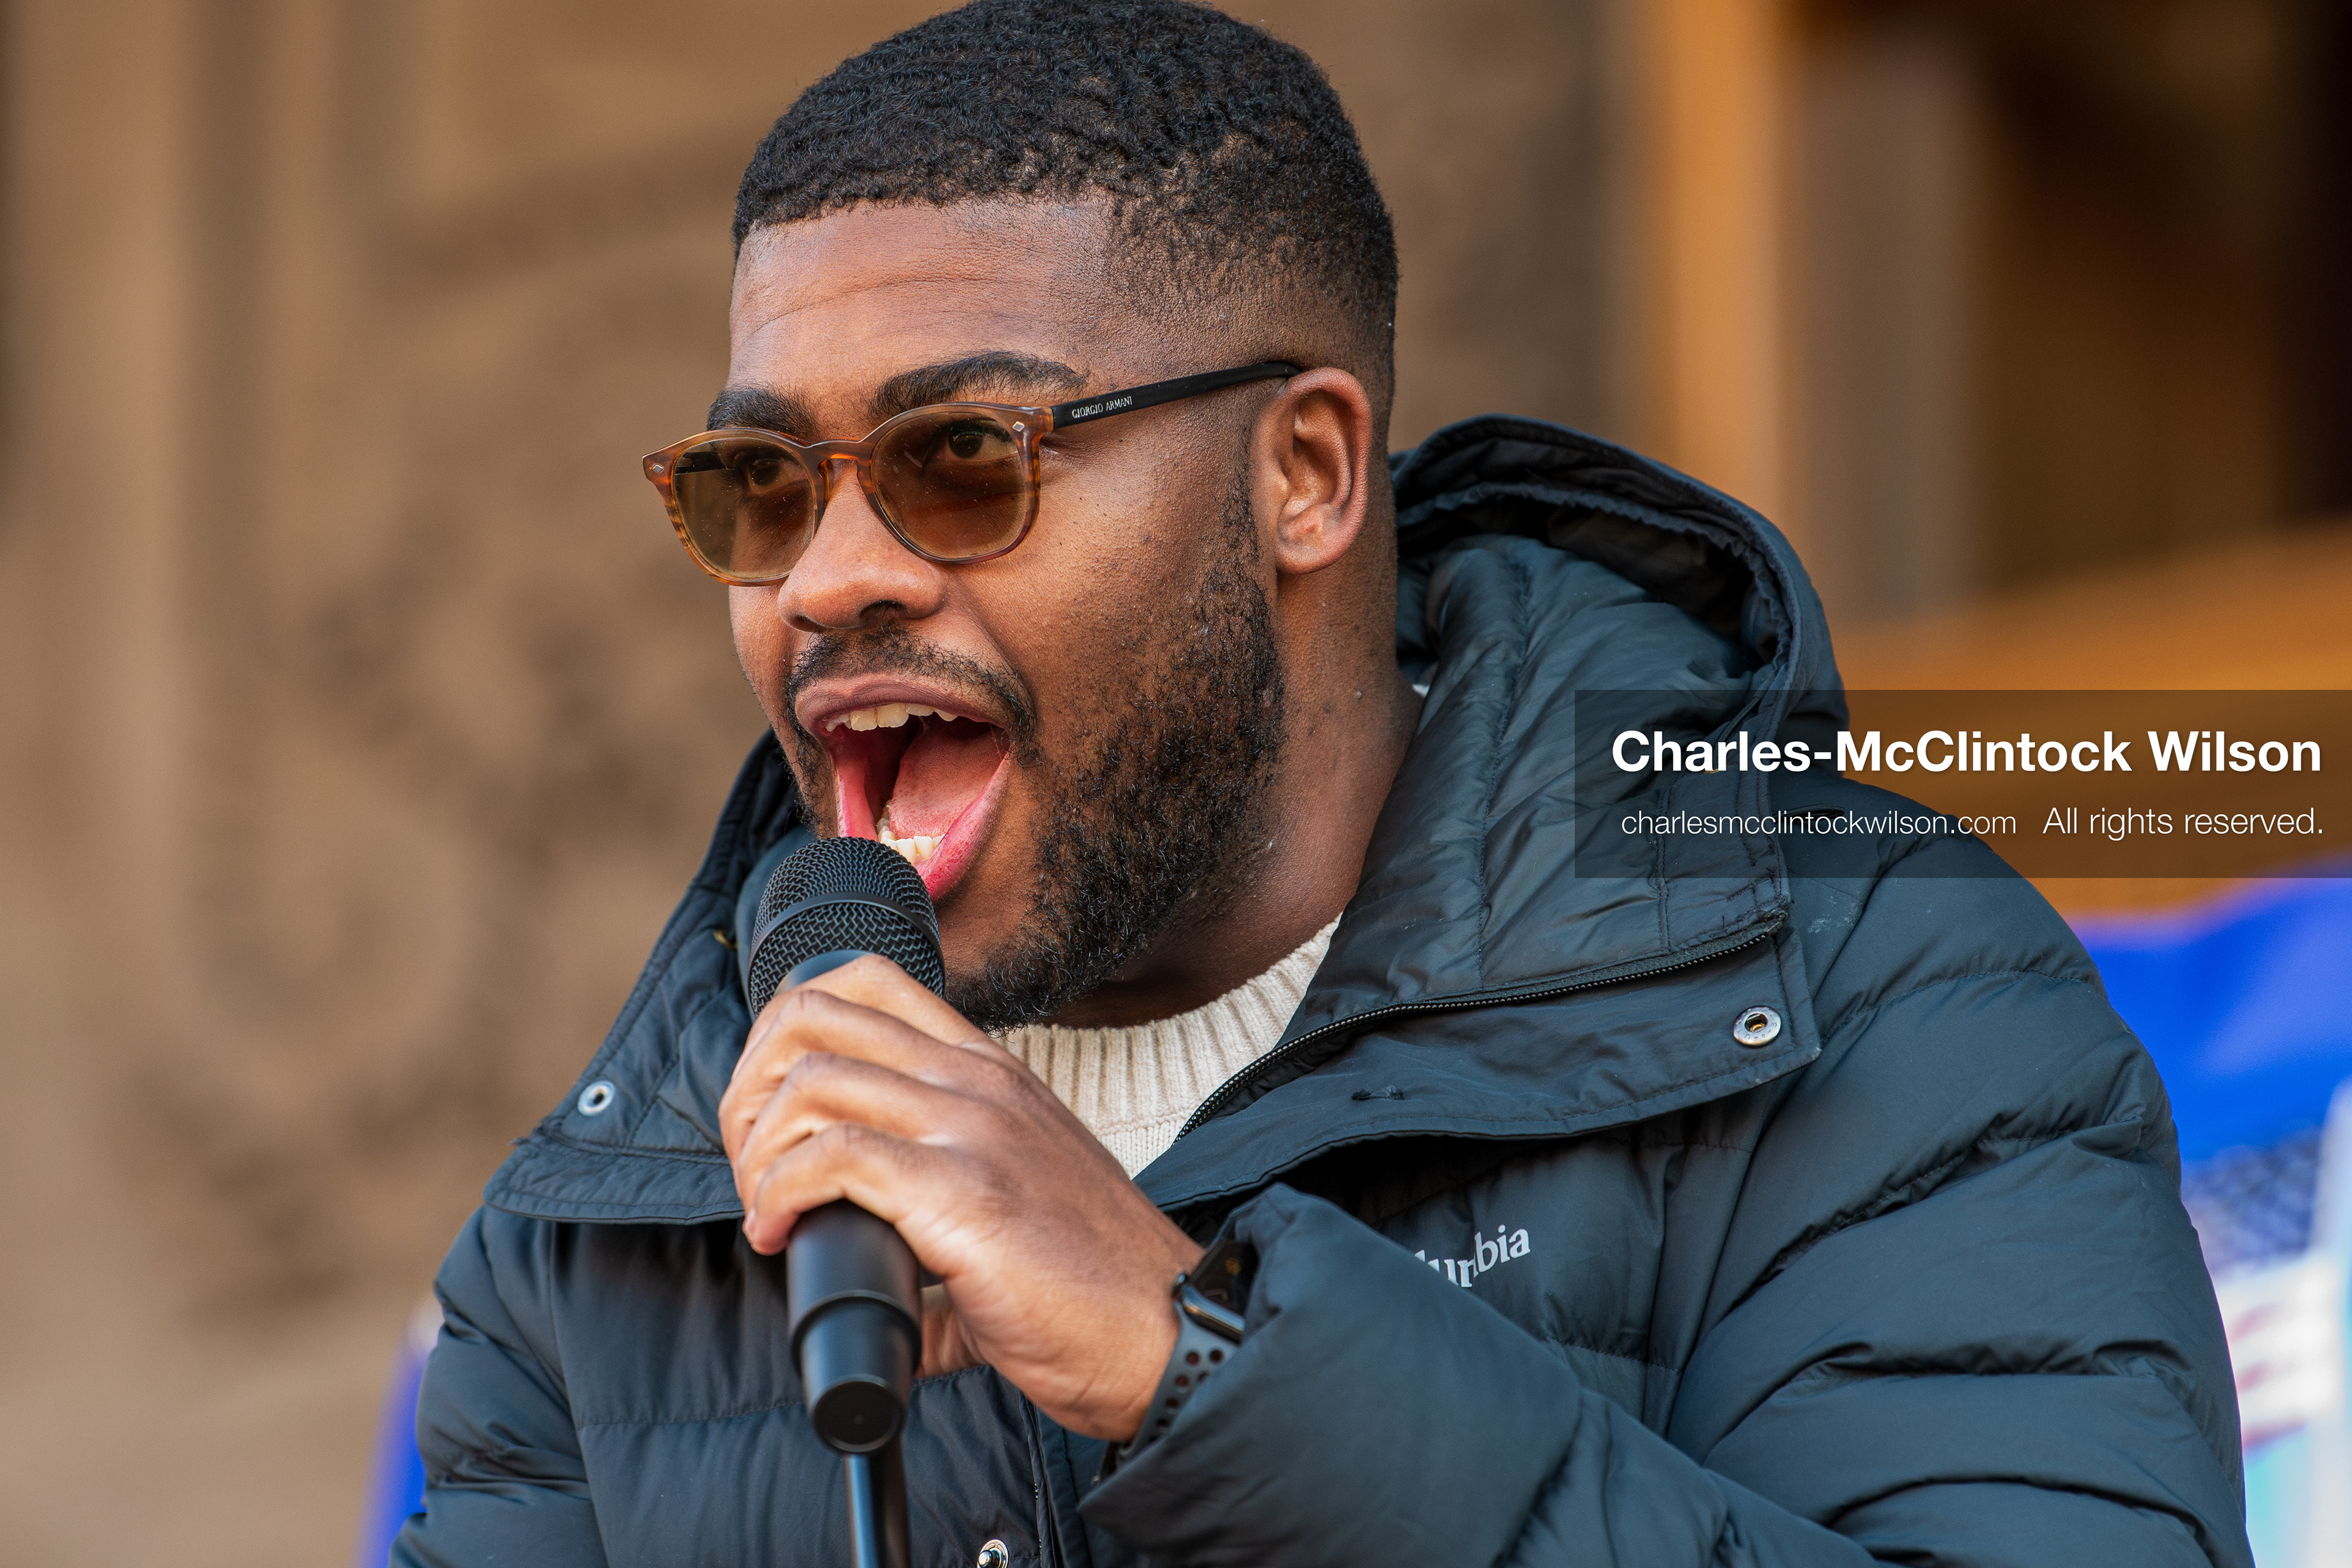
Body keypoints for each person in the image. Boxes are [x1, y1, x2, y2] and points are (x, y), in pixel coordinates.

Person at [393, 2, 2250, 1563]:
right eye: (764, 489)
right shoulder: (602, 1238)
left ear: (1304, 476)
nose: (828, 578)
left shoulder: (1871, 996)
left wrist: (1201, 1360)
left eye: (964, 459)